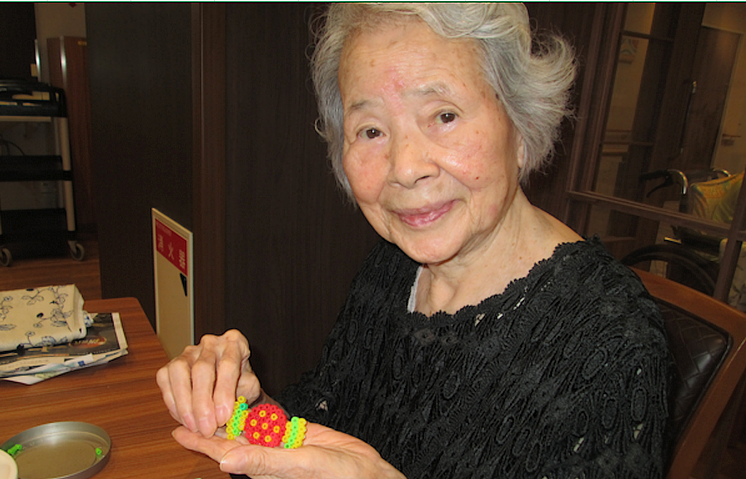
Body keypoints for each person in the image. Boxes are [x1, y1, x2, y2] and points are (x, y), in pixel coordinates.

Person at [157, 4, 672, 478]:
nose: (404, 168)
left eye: (444, 116)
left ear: (522, 124)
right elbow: (325, 426)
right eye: (371, 131)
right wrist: (247, 409)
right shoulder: (392, 267)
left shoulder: (613, 346)